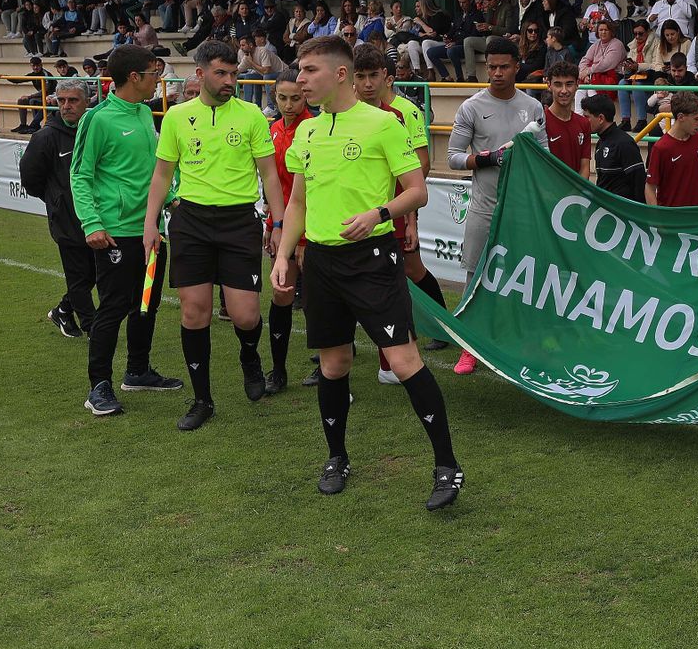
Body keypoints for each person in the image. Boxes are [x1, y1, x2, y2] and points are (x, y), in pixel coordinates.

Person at [274, 36, 464, 509]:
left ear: (341, 74)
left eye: (310, 71)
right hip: (320, 261)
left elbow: (417, 191)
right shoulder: (308, 132)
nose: (301, 80)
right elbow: (298, 200)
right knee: (333, 364)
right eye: (300, 70)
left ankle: (447, 465)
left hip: (372, 259)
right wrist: (284, 253)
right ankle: (336, 457)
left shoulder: (383, 124)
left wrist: (378, 214)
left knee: (403, 363)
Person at [142, 40, 285, 431]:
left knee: (245, 314)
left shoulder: (252, 114)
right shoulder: (176, 117)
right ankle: (202, 399)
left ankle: (249, 355)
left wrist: (278, 224)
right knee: (194, 312)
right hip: (192, 222)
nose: (229, 81)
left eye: (234, 74)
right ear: (200, 73)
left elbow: (269, 174)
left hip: (239, 221)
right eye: (221, 73)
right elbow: (162, 175)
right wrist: (150, 222)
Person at [70, 45, 184, 415]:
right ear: (134, 77)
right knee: (114, 307)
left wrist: (173, 197)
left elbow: (158, 168)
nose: (158, 80)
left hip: (151, 230)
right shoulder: (99, 119)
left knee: (145, 303)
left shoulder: (144, 113)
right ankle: (98, 385)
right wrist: (92, 223)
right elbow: (80, 175)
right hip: (116, 232)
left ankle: (138, 370)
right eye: (154, 73)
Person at [445, 36, 549, 375]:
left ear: (516, 67)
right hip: (484, 210)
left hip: (521, 211)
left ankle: (521, 345)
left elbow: (544, 155)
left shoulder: (532, 108)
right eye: (491, 67)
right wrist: (488, 158)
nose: (497, 73)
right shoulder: (471, 107)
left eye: (504, 66)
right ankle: (469, 348)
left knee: (524, 280)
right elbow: (453, 159)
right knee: (475, 280)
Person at [351, 44, 451, 361]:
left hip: (395, 208)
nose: (367, 83)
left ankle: (441, 327)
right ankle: (342, 344)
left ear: (386, 77)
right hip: (359, 211)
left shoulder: (404, 113)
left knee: (411, 268)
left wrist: (410, 217)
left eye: (373, 76)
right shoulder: (341, 114)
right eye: (361, 76)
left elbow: (420, 165)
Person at [20, 79, 96, 339]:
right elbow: (30, 179)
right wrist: (56, 199)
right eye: (61, 100)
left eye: (73, 100)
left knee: (94, 273)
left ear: (87, 102)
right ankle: (93, 328)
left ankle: (63, 310)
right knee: (79, 277)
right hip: (66, 218)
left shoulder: (94, 129)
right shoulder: (45, 137)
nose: (66, 106)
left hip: (97, 216)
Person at [264, 72, 308, 393]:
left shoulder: (315, 129)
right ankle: (278, 371)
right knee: (281, 294)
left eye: (295, 98)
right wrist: (272, 224)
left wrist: (304, 238)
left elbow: (308, 191)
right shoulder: (274, 131)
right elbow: (275, 188)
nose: (289, 105)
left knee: (321, 300)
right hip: (282, 226)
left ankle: (331, 362)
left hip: (315, 228)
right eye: (283, 98)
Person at [646, 91, 698, 207]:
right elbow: (650, 188)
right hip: (672, 219)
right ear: (680, 117)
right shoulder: (661, 148)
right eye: (696, 119)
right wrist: (657, 221)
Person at [582, 94, 645, 202]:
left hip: (623, 213)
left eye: (587, 117)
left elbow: (639, 183)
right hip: (605, 211)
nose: (584, 121)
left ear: (601, 118)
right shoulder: (601, 142)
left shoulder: (624, 143)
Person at [542, 62, 593, 178]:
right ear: (549, 85)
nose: (564, 90)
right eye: (558, 84)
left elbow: (585, 167)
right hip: (548, 193)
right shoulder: (540, 123)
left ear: (577, 84)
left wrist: (577, 194)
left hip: (575, 193)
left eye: (569, 84)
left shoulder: (584, 123)